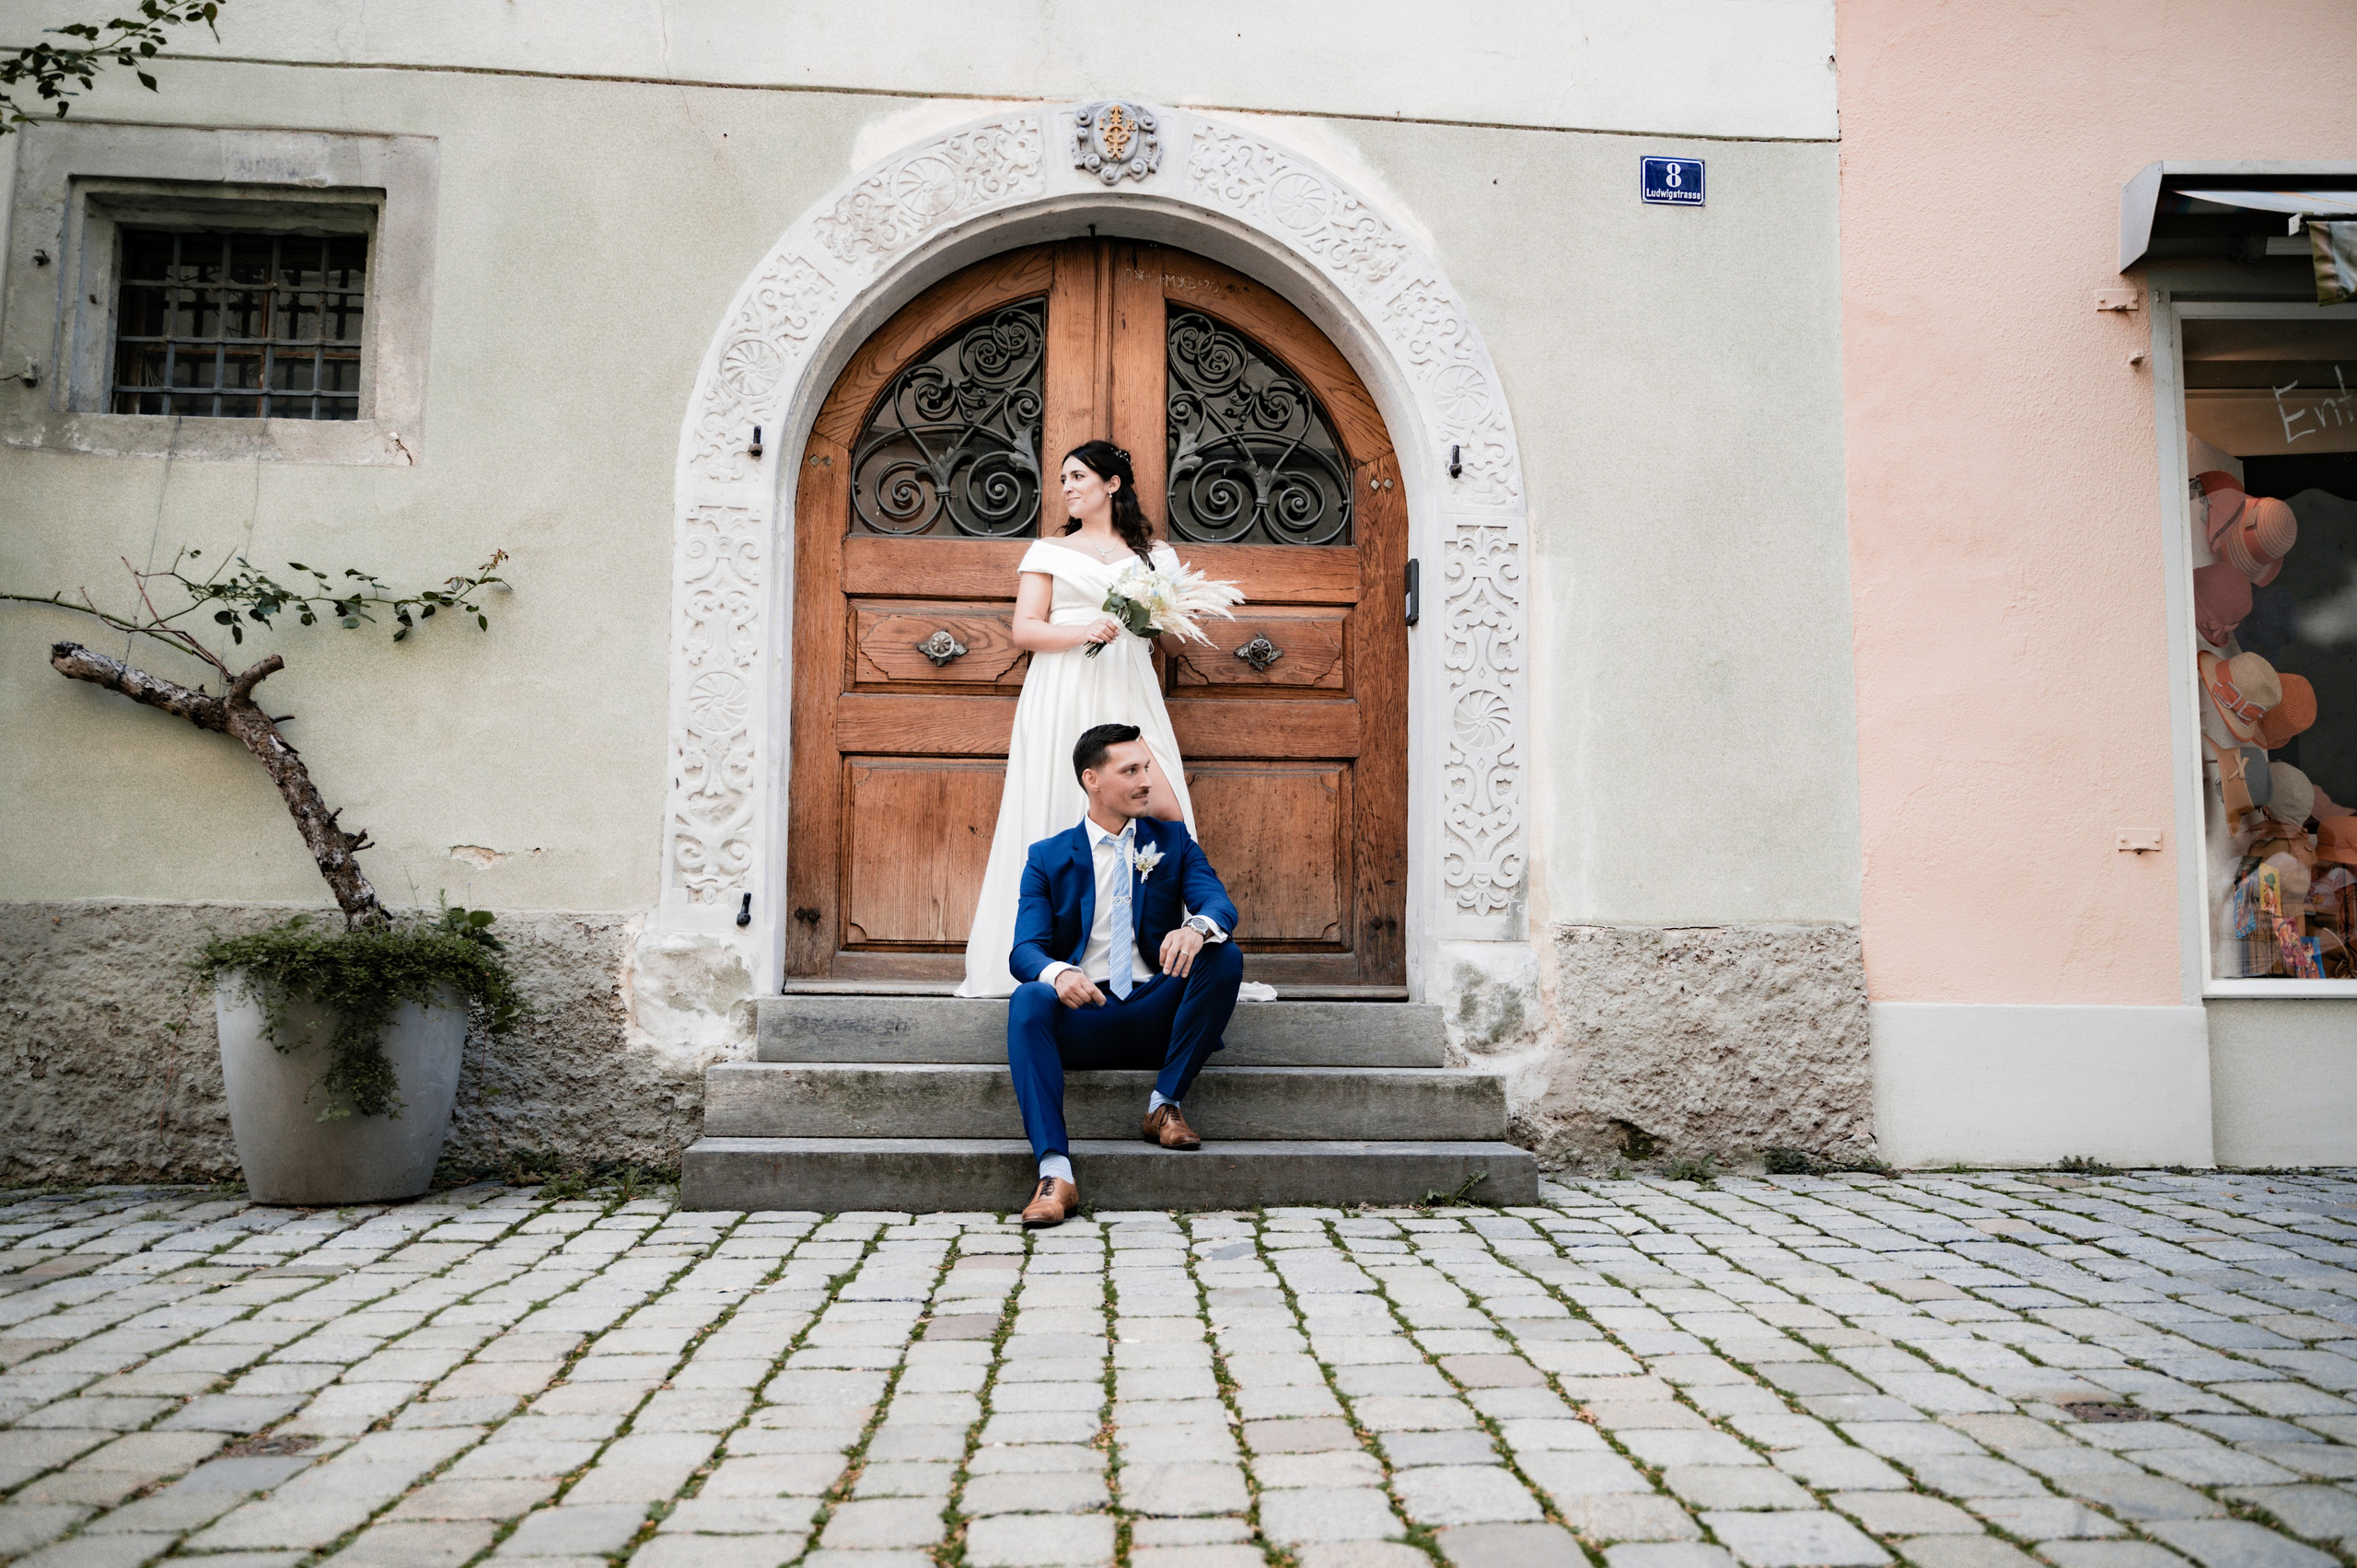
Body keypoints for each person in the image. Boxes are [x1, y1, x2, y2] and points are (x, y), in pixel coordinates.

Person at [957, 440, 1193, 998]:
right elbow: (1026, 629)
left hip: (1129, 685)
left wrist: (1151, 620)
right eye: (1063, 478)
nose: (1067, 486)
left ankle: (1154, 946)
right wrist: (1082, 632)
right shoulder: (1049, 551)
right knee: (1057, 798)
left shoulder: (1156, 557)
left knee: (1163, 803)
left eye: (1079, 475)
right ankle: (1053, 953)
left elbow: (1171, 632)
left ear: (1112, 484)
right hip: (1062, 687)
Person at [1005, 724, 1243, 1228]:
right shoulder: (1047, 856)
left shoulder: (1173, 841)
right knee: (1028, 998)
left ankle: (1164, 1104)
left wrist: (1196, 927)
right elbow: (1024, 948)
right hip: (1083, 1015)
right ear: (1092, 779)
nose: (1145, 782)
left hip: (1156, 1011)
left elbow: (1217, 902)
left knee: (1223, 953)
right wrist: (1059, 973)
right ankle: (1055, 1173)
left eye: (1147, 769)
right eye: (1130, 770)